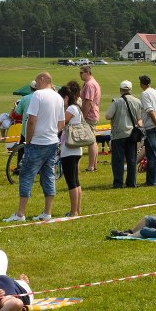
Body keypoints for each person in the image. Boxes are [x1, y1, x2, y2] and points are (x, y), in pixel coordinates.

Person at [5, 72, 63, 223]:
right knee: (48, 175)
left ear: (43, 79)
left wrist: (28, 140)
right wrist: (52, 133)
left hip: (37, 142)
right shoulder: (58, 97)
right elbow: (61, 122)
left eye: (37, 79)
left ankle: (20, 213)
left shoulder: (38, 95)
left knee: (26, 175)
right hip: (52, 141)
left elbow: (31, 120)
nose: (35, 83)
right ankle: (47, 212)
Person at [106, 80, 143, 189]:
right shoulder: (137, 101)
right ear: (130, 90)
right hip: (132, 135)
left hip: (119, 134)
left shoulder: (116, 102)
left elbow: (108, 116)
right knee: (132, 159)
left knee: (118, 160)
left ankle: (118, 183)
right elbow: (139, 118)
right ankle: (131, 182)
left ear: (120, 90)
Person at [57, 81, 86, 217]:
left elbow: (60, 124)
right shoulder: (77, 108)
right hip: (76, 149)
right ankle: (77, 209)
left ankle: (74, 211)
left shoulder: (70, 109)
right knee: (76, 180)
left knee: (71, 182)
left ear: (66, 98)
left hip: (69, 149)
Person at [139, 74, 156, 186]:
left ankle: (151, 180)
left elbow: (150, 111)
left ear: (141, 84)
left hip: (151, 126)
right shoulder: (155, 92)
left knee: (151, 155)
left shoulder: (145, 94)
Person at [79, 64, 102, 172]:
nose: (80, 75)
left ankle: (91, 166)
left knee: (91, 141)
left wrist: (83, 115)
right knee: (93, 140)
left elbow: (88, 101)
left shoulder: (89, 84)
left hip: (90, 115)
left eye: (81, 72)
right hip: (94, 113)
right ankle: (94, 164)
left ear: (87, 72)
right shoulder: (92, 83)